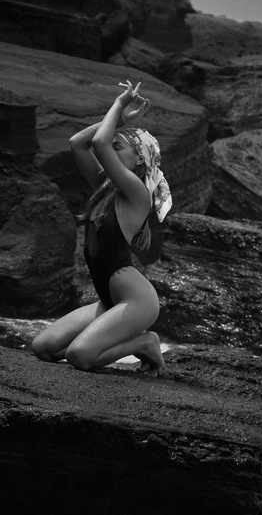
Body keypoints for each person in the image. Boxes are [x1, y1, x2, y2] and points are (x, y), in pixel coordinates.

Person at [31, 80, 172, 376]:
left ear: (139, 162)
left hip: (137, 301)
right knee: (43, 348)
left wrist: (120, 103)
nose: (111, 149)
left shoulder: (137, 193)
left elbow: (98, 143)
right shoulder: (105, 188)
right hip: (109, 300)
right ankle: (132, 338)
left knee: (79, 356)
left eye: (119, 147)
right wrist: (121, 120)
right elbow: (78, 142)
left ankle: (145, 343)